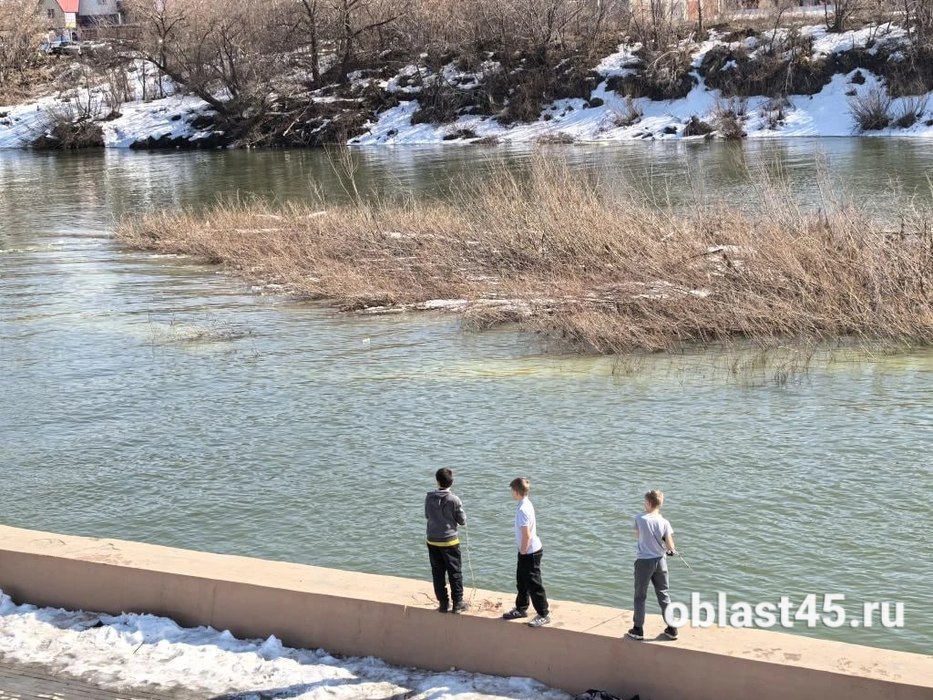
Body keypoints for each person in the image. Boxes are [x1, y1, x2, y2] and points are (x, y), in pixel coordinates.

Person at [627, 489, 678, 640]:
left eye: (645, 502)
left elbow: (638, 536)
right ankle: (672, 628)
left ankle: (638, 629)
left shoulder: (640, 518)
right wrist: (669, 549)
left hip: (644, 561)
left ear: (649, 503)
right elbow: (670, 546)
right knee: (663, 593)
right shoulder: (665, 522)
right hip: (661, 561)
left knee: (640, 596)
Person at [502, 477, 551, 628]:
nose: (511, 493)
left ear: (517, 491)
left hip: (530, 552)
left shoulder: (523, 510)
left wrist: (523, 552)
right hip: (526, 551)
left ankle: (543, 614)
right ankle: (521, 608)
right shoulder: (525, 504)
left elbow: (527, 535)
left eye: (512, 490)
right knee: (522, 581)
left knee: (534, 584)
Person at [425, 468, 467, 613]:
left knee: (437, 574)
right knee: (455, 573)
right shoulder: (454, 499)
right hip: (450, 542)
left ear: (437, 481)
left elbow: (427, 515)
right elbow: (462, 520)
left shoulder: (429, 497)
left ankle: (443, 603)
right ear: (452, 482)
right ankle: (458, 603)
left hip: (432, 540)